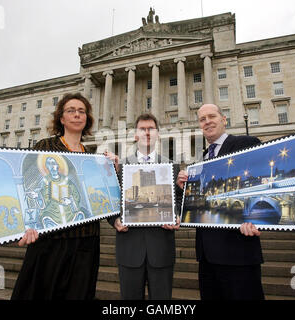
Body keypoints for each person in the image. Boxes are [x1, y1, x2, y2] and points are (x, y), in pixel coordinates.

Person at [11, 92, 100, 300]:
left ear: (87, 118)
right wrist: (28, 223)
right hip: (50, 240)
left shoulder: (92, 156)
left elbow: (94, 197)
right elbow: (29, 188)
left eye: (81, 111)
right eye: (71, 111)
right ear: (61, 118)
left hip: (86, 240)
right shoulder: (45, 146)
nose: (77, 115)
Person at [176, 103, 265, 300]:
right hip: (207, 256)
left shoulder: (246, 143)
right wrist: (186, 191)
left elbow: (262, 182)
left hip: (238, 251)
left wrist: (258, 219)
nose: (207, 122)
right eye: (202, 119)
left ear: (223, 120)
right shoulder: (199, 160)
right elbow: (200, 203)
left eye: (211, 116)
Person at [107, 113, 180, 300]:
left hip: (161, 249)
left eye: (151, 129)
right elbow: (109, 201)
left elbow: (179, 201)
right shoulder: (119, 167)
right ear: (135, 135)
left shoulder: (172, 166)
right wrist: (115, 220)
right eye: (142, 129)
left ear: (158, 134)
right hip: (129, 248)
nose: (147, 133)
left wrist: (177, 216)